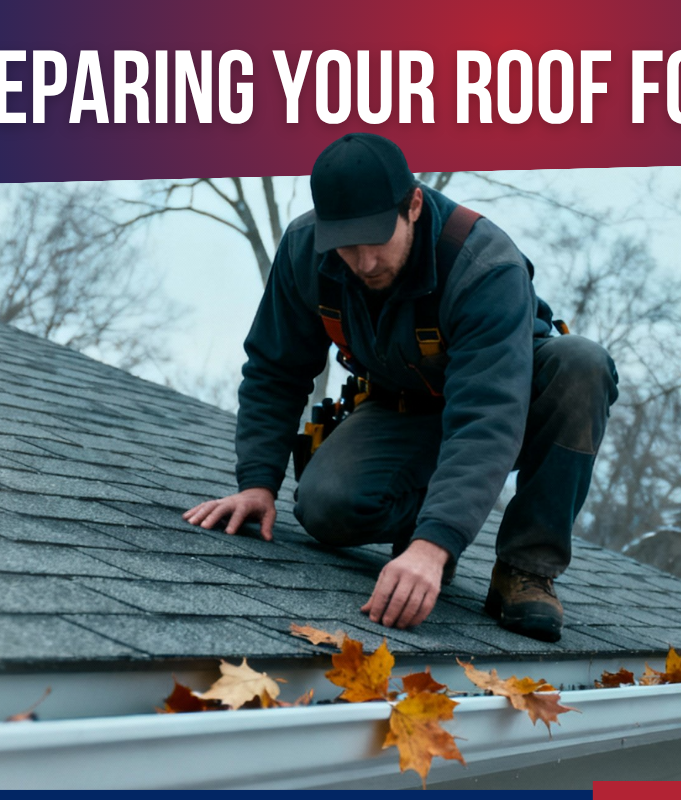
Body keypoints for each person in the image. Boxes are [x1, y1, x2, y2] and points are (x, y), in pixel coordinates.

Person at [184, 133, 618, 642]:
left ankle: (526, 569)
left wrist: (437, 545)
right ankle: (417, 529)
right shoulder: (307, 252)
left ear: (413, 205)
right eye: (348, 246)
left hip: (513, 407)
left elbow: (486, 417)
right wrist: (257, 481)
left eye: (375, 240)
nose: (364, 262)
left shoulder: (483, 265)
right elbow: (274, 368)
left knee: (581, 363)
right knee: (325, 507)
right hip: (404, 404)